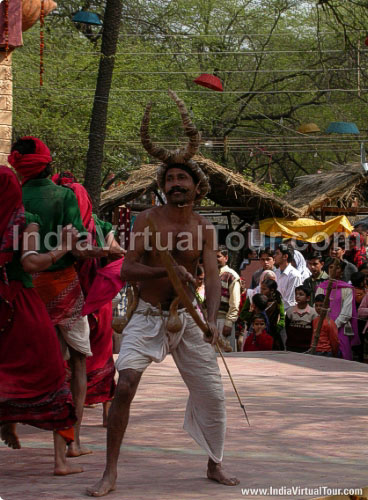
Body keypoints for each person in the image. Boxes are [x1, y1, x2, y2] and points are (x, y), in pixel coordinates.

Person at [87, 90, 239, 497]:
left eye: (182, 178)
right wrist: (164, 269)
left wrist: (212, 320)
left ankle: (215, 464)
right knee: (126, 384)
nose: (174, 183)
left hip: (187, 318)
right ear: (162, 186)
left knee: (212, 394)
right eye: (169, 179)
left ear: (196, 187)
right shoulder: (145, 219)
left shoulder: (205, 228)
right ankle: (110, 472)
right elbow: (128, 268)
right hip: (149, 314)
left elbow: (210, 273)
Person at [8, 137, 107, 457]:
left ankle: (11, 415)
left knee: (33, 360)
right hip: (62, 288)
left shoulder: (14, 197)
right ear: (47, 164)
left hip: (23, 291)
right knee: (76, 362)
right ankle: (71, 441)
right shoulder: (64, 196)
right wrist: (107, 251)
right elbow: (79, 246)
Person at [0, 166, 82, 476]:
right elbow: (31, 261)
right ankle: (61, 461)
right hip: (20, 305)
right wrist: (64, 246)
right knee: (51, 374)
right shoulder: (24, 222)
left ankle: (7, 421)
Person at [53, 172, 125, 427]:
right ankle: (95, 417)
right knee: (95, 356)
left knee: (71, 358)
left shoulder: (52, 222)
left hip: (66, 297)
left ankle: (67, 420)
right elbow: (115, 251)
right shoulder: (95, 225)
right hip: (88, 299)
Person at [316, 258, 360, 361]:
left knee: (343, 357)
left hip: (340, 329)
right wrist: (326, 326)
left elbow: (346, 313)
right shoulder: (321, 288)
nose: (334, 269)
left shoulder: (347, 289)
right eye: (331, 267)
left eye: (337, 267)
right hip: (323, 329)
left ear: (341, 271)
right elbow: (318, 308)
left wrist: (333, 326)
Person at [217, 245, 241, 352]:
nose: (215, 259)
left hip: (223, 320)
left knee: (226, 354)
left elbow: (235, 302)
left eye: (218, 256)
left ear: (226, 258)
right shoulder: (208, 274)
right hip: (209, 320)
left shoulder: (231, 276)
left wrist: (229, 322)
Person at [285, 285, 317, 352]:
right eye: (296, 294)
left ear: (308, 298)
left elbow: (314, 331)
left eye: (301, 294)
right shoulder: (290, 311)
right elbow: (287, 328)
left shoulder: (313, 313)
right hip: (291, 346)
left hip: (306, 347)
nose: (297, 296)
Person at [274, 244, 302, 310]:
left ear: (285, 256)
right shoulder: (276, 273)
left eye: (277, 254)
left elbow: (290, 301)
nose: (274, 256)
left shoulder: (294, 275)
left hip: (288, 313)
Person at [260, 278, 285, 350]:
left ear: (272, 290)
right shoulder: (259, 300)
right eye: (261, 289)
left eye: (264, 289)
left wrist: (277, 328)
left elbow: (282, 317)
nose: (261, 291)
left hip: (273, 334)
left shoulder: (277, 302)